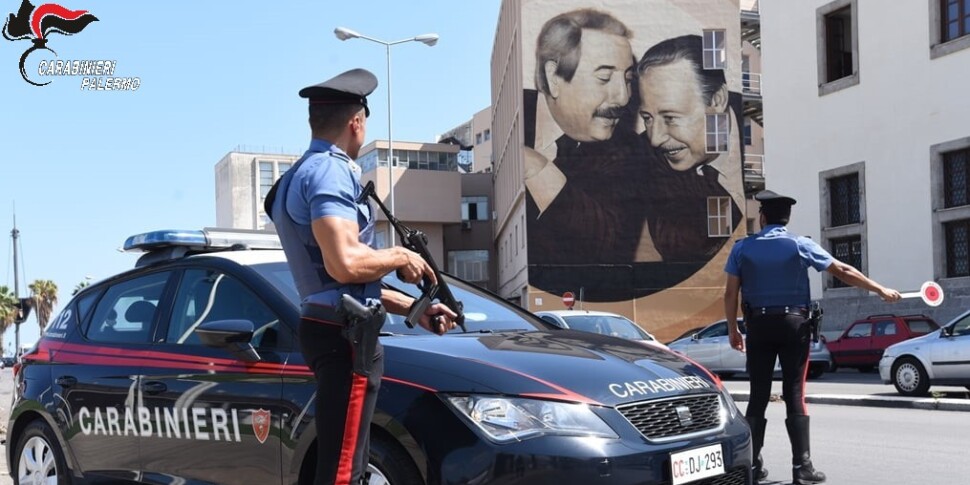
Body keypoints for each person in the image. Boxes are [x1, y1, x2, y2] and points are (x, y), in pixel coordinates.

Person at [266, 68, 457, 485]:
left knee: (344, 461)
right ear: (356, 122)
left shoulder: (296, 175)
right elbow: (344, 265)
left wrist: (415, 308)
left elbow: (338, 280)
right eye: (364, 124)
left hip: (333, 323)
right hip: (345, 334)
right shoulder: (330, 171)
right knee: (343, 470)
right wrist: (398, 255)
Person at [723, 190, 901, 485]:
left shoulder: (742, 248)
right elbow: (842, 269)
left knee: (758, 395)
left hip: (759, 326)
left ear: (763, 217)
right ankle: (802, 468)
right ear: (787, 219)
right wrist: (880, 289)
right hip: (794, 325)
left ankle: (752, 465)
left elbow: (730, 292)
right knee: (795, 393)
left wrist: (732, 329)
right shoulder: (800, 244)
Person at [522, 8, 654, 267]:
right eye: (604, 77)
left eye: (627, 79)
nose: (624, 98)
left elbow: (609, 241)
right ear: (553, 77)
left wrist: (538, 169)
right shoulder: (517, 121)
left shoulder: (629, 151)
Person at [636, 35, 744, 262]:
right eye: (647, 118)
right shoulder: (644, 154)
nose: (655, 138)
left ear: (716, 101)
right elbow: (680, 246)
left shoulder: (759, 148)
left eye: (670, 117)